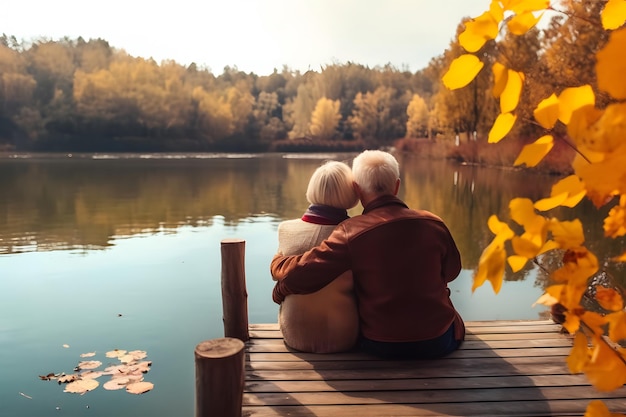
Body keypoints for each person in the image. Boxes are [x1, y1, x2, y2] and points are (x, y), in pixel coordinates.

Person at [271, 150, 465, 359]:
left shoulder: (351, 232)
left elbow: (303, 273)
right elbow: (452, 272)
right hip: (439, 342)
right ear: (397, 186)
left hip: (381, 345)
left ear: (357, 189)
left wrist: (279, 274)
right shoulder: (433, 222)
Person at [274, 160, 360, 353]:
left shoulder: (285, 229)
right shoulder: (357, 233)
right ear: (351, 192)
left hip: (294, 335)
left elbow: (277, 273)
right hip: (344, 337)